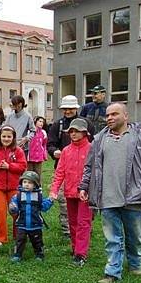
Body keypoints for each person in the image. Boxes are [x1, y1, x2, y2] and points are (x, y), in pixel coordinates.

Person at [79, 103, 141, 283]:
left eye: (114, 114)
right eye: (107, 115)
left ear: (126, 116)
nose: (109, 118)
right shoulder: (99, 139)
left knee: (135, 236)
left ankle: (135, 264)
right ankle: (112, 273)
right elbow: (89, 166)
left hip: (135, 196)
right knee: (112, 239)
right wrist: (84, 186)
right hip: (106, 198)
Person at [47, 95, 94, 238]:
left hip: (85, 171)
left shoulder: (86, 123)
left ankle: (84, 227)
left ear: (76, 108)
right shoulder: (58, 124)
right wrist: (54, 151)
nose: (67, 111)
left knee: (86, 201)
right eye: (65, 109)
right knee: (64, 201)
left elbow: (94, 143)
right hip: (64, 167)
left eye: (70, 108)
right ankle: (67, 229)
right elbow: (50, 143)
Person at [49, 118, 93, 266]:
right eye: (71, 131)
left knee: (83, 222)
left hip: (86, 193)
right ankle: (75, 248)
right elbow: (59, 172)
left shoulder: (92, 149)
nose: (73, 134)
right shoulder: (66, 151)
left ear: (85, 132)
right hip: (70, 192)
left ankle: (81, 253)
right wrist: (54, 190)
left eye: (76, 131)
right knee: (73, 222)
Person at [0, 125, 27, 249]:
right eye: (4, 136)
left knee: (16, 211)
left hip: (13, 187)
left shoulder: (18, 151)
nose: (6, 139)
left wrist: (9, 166)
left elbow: (22, 166)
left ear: (13, 138)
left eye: (9, 136)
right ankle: (0, 238)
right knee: (0, 211)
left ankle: (18, 235)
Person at [9, 171, 53, 262]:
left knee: (37, 241)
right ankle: (17, 254)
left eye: (30, 183)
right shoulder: (18, 196)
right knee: (19, 240)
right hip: (22, 223)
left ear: (35, 184)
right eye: (25, 182)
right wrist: (13, 207)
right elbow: (14, 206)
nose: (26, 185)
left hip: (35, 223)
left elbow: (43, 207)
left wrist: (50, 201)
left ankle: (39, 254)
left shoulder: (39, 196)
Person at [27, 116, 48, 184]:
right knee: (29, 174)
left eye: (43, 122)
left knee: (38, 174)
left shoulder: (43, 132)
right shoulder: (29, 131)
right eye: (40, 121)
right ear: (35, 122)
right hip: (29, 157)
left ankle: (38, 188)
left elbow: (44, 145)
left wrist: (44, 155)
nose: (41, 123)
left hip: (39, 157)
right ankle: (29, 187)